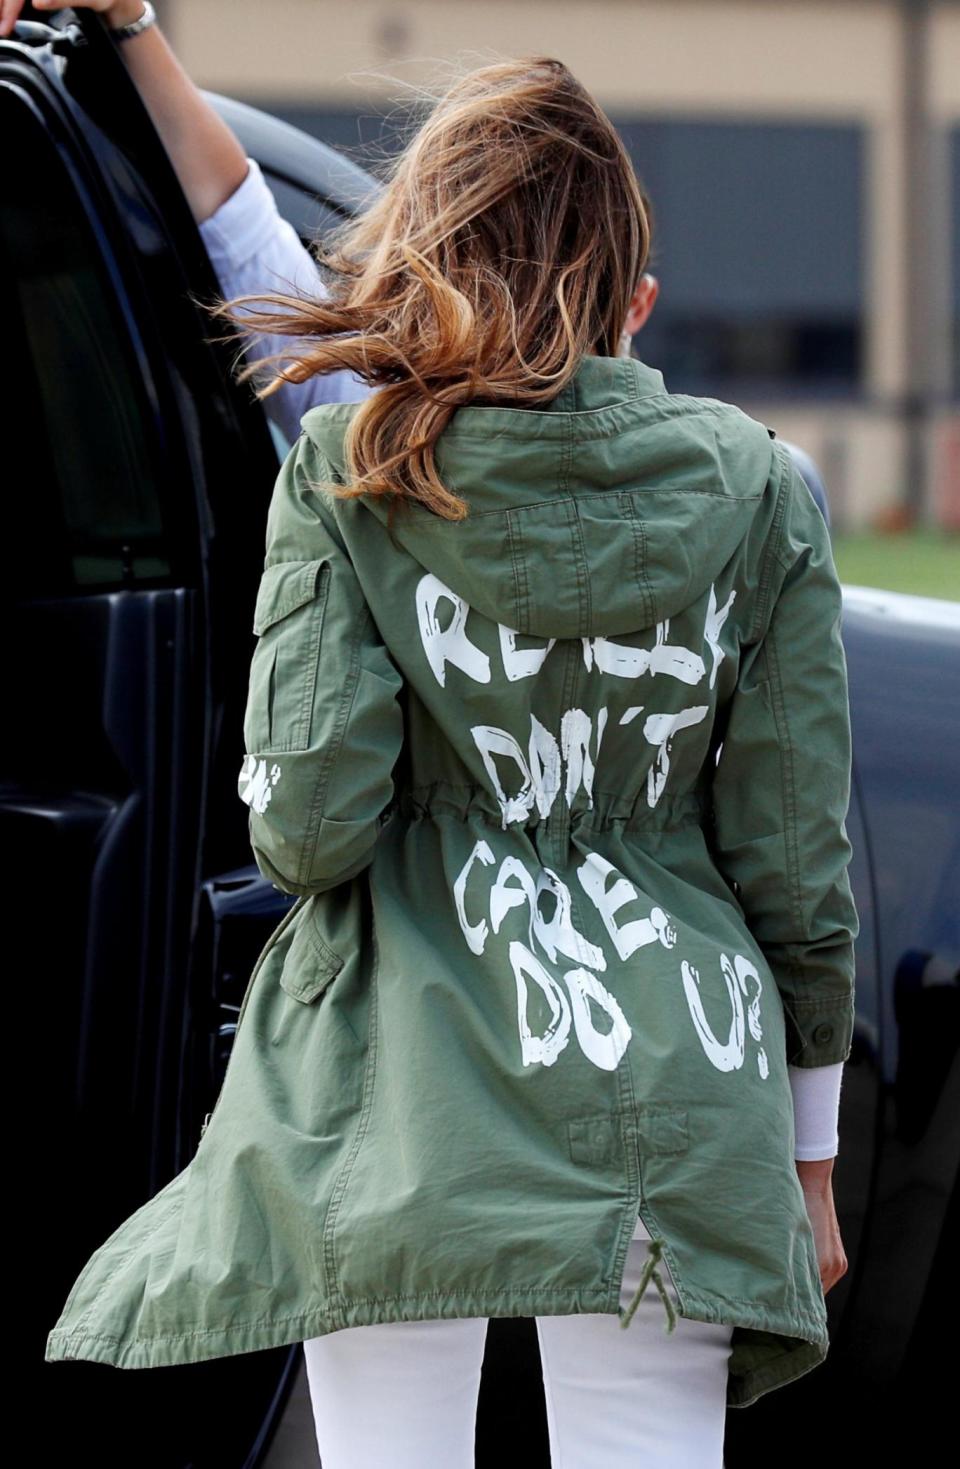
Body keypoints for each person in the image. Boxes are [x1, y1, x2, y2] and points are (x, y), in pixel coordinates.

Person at [33, 3, 858, 1464]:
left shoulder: (355, 468)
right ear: (637, 305)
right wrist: (810, 1160)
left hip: (397, 1097)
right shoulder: (764, 490)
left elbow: (310, 825)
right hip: (677, 1095)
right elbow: (796, 860)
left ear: (419, 264)